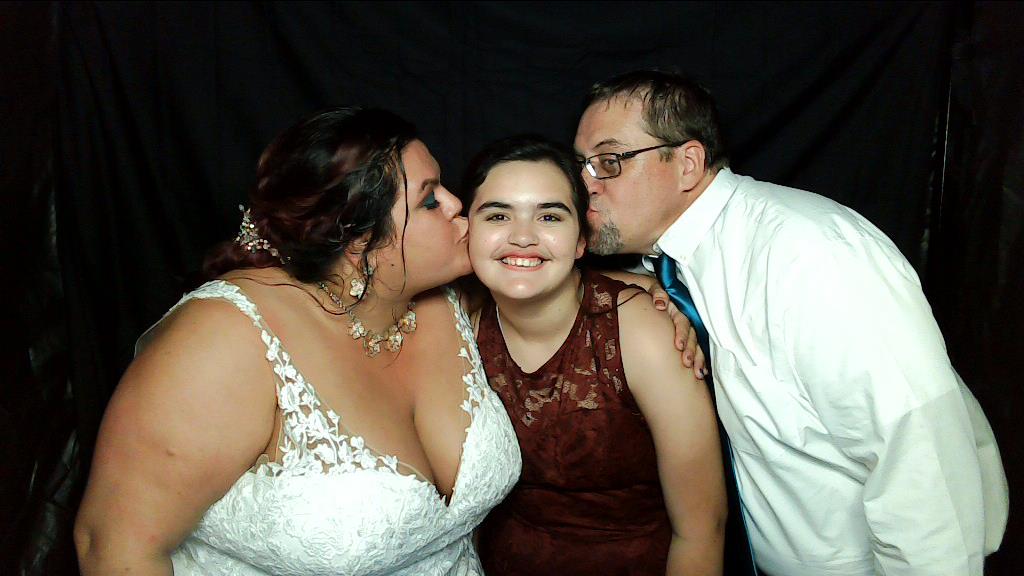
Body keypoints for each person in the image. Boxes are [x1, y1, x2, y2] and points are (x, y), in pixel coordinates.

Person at [573, 70, 1009, 576]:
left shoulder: (809, 254)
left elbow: (922, 454)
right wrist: (639, 283)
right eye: (581, 164)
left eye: (609, 162)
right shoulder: (671, 265)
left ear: (687, 163)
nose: (585, 185)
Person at [73, 107, 522, 575]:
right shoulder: (224, 341)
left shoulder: (456, 300)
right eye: (429, 199)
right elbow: (113, 548)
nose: (456, 205)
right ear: (357, 238)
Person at [460, 135, 726, 575]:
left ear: (581, 240)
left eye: (549, 216)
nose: (522, 236)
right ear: (466, 229)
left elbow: (701, 529)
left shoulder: (639, 331)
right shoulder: (459, 323)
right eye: (498, 215)